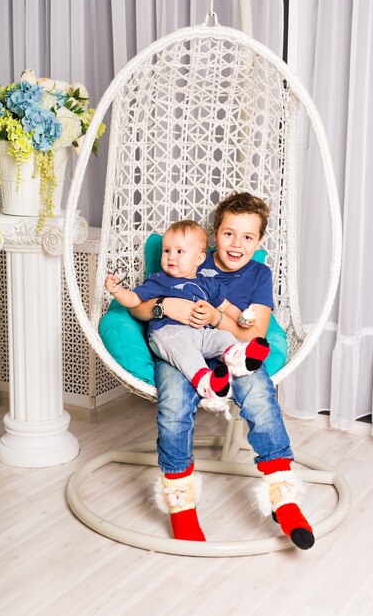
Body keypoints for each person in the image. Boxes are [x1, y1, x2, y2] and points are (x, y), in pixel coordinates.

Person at [129, 192, 315, 550]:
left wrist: (216, 318)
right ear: (214, 235)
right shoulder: (189, 257)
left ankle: (284, 497)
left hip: (232, 353)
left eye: (248, 237)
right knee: (172, 406)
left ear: (260, 242)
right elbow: (139, 307)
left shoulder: (259, 274)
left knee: (260, 396)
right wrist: (166, 306)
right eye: (229, 233)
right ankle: (181, 503)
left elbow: (255, 334)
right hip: (179, 352)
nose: (236, 244)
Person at [105, 220, 270, 419]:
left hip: (201, 333)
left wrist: (240, 317)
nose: (170, 257)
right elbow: (133, 301)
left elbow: (226, 307)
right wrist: (118, 291)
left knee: (221, 338)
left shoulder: (207, 283)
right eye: (166, 251)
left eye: (179, 252)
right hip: (170, 334)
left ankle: (238, 356)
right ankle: (206, 382)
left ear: (199, 259)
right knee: (182, 349)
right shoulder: (158, 280)